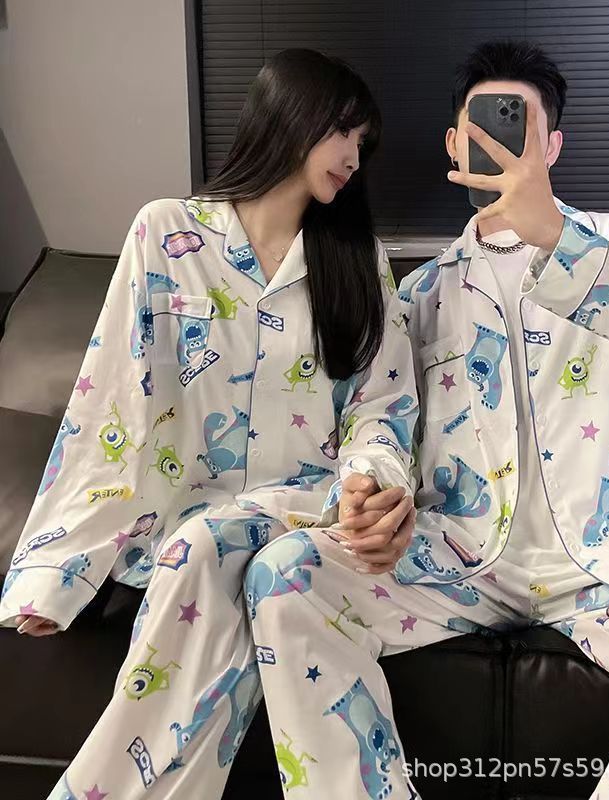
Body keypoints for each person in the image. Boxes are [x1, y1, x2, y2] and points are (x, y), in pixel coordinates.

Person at [246, 41, 609, 799]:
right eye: (481, 129)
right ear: (453, 144)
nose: (498, 145)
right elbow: (385, 424)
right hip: (461, 556)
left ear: (553, 147)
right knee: (286, 575)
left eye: (518, 127)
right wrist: (375, 490)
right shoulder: (420, 294)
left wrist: (561, 242)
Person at [0, 48, 418, 799]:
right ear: (290, 116)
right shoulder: (167, 235)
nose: (355, 158)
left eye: (364, 144)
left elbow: (381, 406)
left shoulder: (359, 262)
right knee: (201, 548)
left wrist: (368, 477)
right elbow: (113, 402)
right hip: (182, 520)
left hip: (305, 508)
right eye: (343, 133)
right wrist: (58, 573)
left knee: (205, 545)